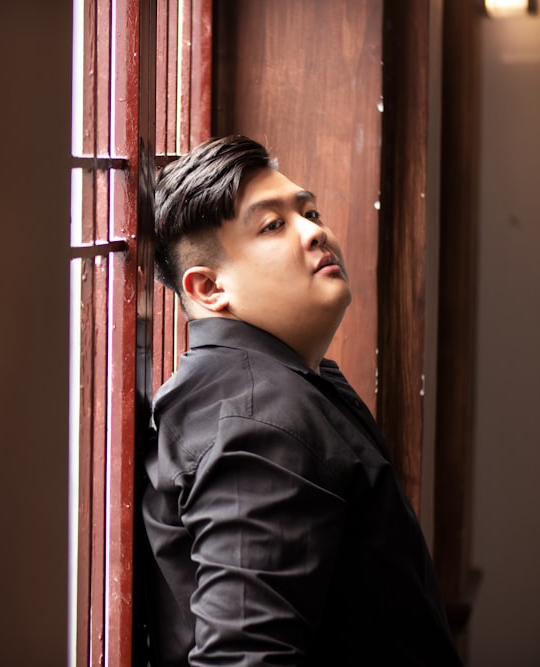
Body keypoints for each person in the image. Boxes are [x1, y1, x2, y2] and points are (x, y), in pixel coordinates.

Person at [138, 135, 462, 666]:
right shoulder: (257, 423)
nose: (316, 231)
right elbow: (246, 658)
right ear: (209, 288)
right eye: (273, 225)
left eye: (309, 211)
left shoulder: (281, 385)